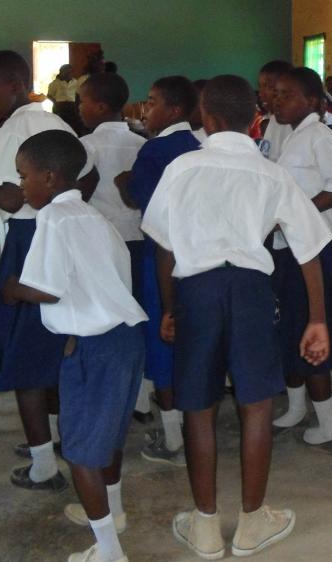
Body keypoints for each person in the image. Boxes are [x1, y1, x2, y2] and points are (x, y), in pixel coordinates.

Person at [142, 75, 331, 559]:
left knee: (199, 409)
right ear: (255, 118)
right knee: (256, 406)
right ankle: (251, 523)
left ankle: (205, 527)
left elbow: (163, 245)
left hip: (196, 292)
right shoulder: (271, 172)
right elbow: (309, 250)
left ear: (204, 117)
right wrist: (317, 319)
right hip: (249, 291)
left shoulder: (183, 167)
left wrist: (169, 307)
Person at [5, 130, 147, 562]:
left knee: (80, 452)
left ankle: (108, 551)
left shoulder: (53, 219)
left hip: (96, 349)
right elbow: (100, 286)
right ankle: (114, 511)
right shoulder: (96, 219)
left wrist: (14, 289)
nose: (21, 186)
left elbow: (46, 289)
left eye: (24, 176)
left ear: (49, 177)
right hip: (125, 340)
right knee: (110, 439)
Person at [0, 49, 96, 492]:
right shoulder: (53, 121)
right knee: (48, 344)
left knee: (22, 351)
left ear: (16, 86)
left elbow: (10, 198)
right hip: (51, 233)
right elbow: (87, 173)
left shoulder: (19, 125)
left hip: (29, 241)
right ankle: (54, 438)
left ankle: (42, 464)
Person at [267, 67, 332, 450]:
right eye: (275, 94)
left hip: (318, 250)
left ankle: (328, 425)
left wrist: (299, 215)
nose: (277, 100)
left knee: (312, 333)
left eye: (287, 94)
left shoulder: (319, 137)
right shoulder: (285, 134)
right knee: (289, 329)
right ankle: (295, 408)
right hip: (287, 248)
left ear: (312, 101)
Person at [127, 75, 202, 466]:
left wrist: (125, 184)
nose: (145, 109)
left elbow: (138, 197)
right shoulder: (199, 146)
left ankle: (173, 438)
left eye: (152, 101)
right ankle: (196, 429)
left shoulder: (153, 152)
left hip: (162, 258)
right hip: (199, 262)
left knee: (163, 342)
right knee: (195, 345)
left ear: (173, 110)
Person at [77, 72, 145, 292]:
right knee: (134, 297)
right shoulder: (142, 144)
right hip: (137, 236)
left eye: (82, 101)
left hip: (99, 239)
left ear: (100, 107)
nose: (78, 107)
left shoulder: (86, 145)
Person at [256, 60, 294, 161]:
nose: (261, 93)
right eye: (260, 86)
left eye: (268, 87)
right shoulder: (274, 119)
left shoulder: (289, 126)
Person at [48, 64, 80, 128]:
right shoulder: (55, 83)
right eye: (67, 72)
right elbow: (49, 95)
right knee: (60, 124)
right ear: (61, 72)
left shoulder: (76, 82)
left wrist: (77, 105)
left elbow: (78, 94)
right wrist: (56, 103)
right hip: (60, 106)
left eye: (71, 72)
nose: (69, 74)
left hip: (72, 106)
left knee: (72, 125)